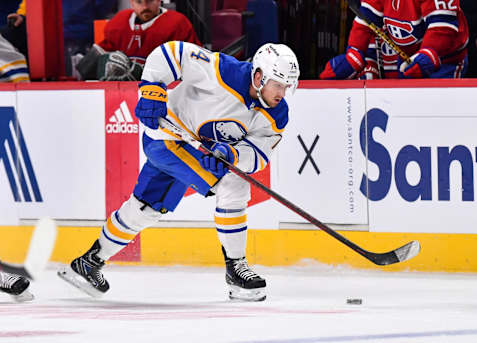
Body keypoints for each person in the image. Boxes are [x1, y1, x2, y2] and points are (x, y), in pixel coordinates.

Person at [59, 41, 300, 302]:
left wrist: (232, 155)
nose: (282, 92)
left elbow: (259, 153)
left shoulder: (277, 114)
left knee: (146, 207)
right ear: (258, 76)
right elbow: (171, 53)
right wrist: (152, 88)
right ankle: (236, 268)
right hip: (165, 137)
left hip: (188, 146)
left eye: (287, 86)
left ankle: (88, 262)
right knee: (233, 186)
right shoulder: (222, 70)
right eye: (278, 84)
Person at [320, 0, 469, 79]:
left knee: (437, 111)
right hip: (407, 58)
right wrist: (354, 55)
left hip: (446, 61)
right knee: (405, 110)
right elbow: (366, 20)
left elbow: (442, 25)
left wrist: (429, 53)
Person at [75, 0, 201, 81]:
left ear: (159, 1)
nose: (145, 6)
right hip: (120, 93)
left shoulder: (178, 23)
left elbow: (195, 64)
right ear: (131, 3)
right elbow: (99, 56)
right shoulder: (119, 22)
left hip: (162, 93)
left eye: (150, 1)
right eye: (139, 1)